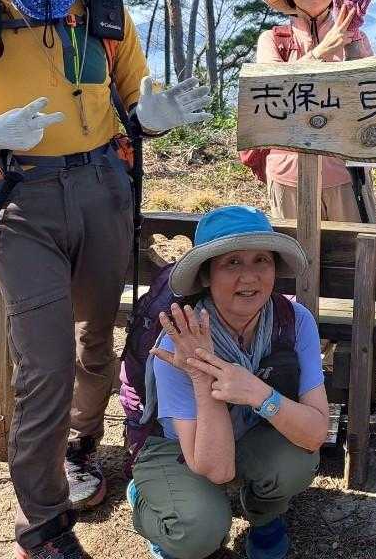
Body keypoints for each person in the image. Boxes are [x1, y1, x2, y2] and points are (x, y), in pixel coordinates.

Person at [0, 0, 212, 559]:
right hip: (19, 198)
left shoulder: (103, 10)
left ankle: (81, 442)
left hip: (103, 186)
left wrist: (150, 117)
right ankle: (43, 524)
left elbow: (135, 95)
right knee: (45, 361)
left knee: (95, 339)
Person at [128, 205, 328, 559]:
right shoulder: (179, 339)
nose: (249, 277)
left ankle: (264, 515)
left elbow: (315, 434)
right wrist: (202, 376)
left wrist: (258, 393)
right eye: (232, 262)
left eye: (261, 260)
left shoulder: (295, 321)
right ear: (206, 276)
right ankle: (150, 502)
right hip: (178, 446)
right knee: (198, 530)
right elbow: (217, 469)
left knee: (296, 461)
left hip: (247, 429)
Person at [255, 0, 376, 223]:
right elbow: (272, 96)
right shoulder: (272, 40)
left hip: (347, 174)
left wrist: (352, 40)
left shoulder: (356, 37)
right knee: (296, 251)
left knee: (355, 250)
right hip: (288, 175)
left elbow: (369, 95)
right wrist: (324, 50)